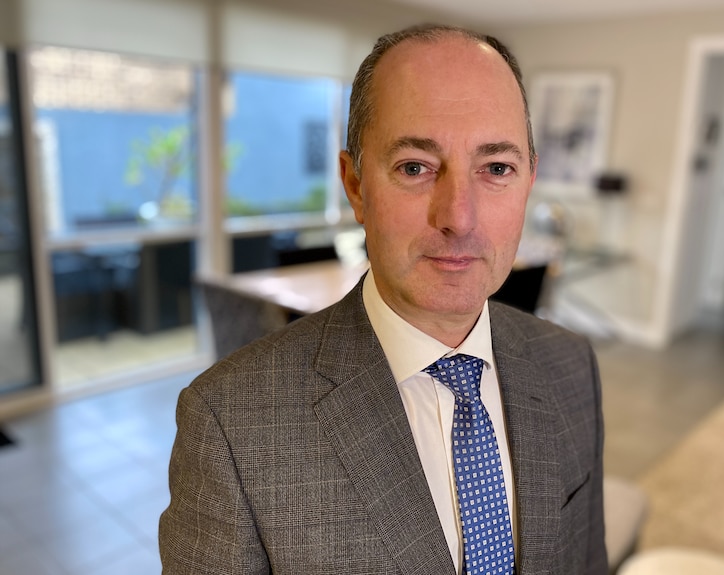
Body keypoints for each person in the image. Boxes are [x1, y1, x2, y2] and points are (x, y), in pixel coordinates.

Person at [159, 23, 607, 575]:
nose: (458, 218)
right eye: (415, 168)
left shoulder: (571, 365)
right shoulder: (229, 426)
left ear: (529, 181)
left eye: (496, 169)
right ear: (355, 184)